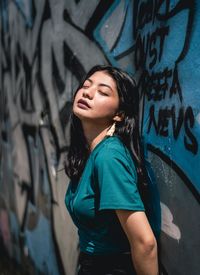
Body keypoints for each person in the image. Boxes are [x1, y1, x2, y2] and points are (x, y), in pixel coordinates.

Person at [64, 65, 159, 275]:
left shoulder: (109, 156)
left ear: (119, 115)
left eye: (103, 92)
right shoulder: (92, 153)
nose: (87, 92)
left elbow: (145, 243)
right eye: (86, 85)